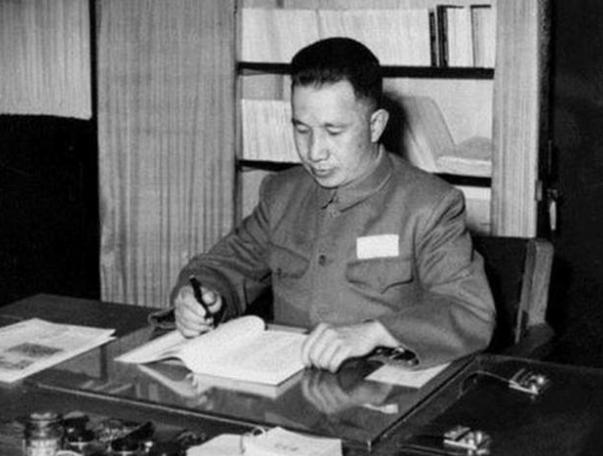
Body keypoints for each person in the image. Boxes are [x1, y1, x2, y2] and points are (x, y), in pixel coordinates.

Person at [172, 37, 495, 372]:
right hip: (284, 379)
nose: (315, 152)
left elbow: (470, 312)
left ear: (375, 125)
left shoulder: (429, 204)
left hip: (381, 386)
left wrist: (376, 332)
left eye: (334, 131)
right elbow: (224, 265)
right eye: (302, 130)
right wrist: (199, 296)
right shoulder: (281, 193)